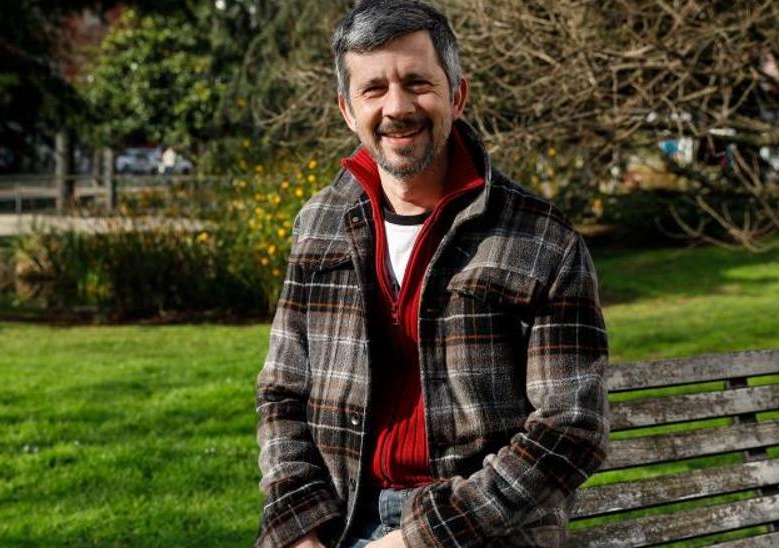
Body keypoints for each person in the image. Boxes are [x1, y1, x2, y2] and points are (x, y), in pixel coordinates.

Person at [254, 1, 610, 547]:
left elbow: (571, 430)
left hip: (482, 531)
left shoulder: (542, 240)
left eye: (417, 82)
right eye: (373, 89)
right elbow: (282, 394)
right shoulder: (319, 224)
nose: (397, 107)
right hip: (340, 523)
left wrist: (420, 538)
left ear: (457, 95)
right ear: (348, 110)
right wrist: (300, 529)